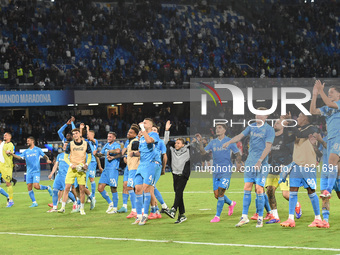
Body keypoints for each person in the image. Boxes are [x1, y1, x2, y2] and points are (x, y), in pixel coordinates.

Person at [223, 107, 275, 228]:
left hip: (261, 164)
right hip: (250, 163)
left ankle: (260, 218)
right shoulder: (251, 127)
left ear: (266, 116)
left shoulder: (269, 129)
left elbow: (268, 148)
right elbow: (239, 136)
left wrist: (260, 161)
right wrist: (229, 142)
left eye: (261, 115)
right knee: (247, 187)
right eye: (257, 114)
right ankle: (244, 217)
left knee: (259, 189)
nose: (258, 116)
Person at [279, 113, 323, 228]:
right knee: (293, 191)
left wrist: (290, 121)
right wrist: (286, 124)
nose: (297, 118)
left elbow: (300, 134)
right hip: (296, 164)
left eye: (299, 116)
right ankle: (290, 219)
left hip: (308, 164)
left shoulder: (312, 128)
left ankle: (318, 218)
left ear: (306, 118)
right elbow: (286, 140)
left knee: (311, 191)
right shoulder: (297, 129)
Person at [309, 80, 340, 228]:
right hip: (331, 142)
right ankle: (325, 221)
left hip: (338, 139)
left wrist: (321, 91)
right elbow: (313, 111)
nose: (329, 95)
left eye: (331, 93)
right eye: (328, 93)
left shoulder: (338, 105)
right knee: (324, 194)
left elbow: (331, 103)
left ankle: (329, 188)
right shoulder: (328, 109)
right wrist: (315, 95)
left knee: (332, 162)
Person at [196, 124, 241, 223]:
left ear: (225, 130)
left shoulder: (230, 141)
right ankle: (231, 203)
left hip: (226, 170)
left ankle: (217, 216)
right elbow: (203, 152)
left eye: (220, 128)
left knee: (221, 192)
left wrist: (238, 164)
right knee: (217, 195)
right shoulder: (213, 142)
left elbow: (237, 153)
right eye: (216, 128)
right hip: (216, 171)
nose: (217, 130)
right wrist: (200, 142)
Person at [264, 117, 301, 224]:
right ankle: (275, 216)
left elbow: (293, 153)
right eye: (275, 122)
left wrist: (287, 165)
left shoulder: (287, 138)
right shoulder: (270, 138)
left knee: (285, 194)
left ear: (283, 126)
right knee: (270, 191)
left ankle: (297, 204)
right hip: (273, 169)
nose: (275, 124)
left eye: (278, 123)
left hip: (285, 170)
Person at [132, 118, 160, 225]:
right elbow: (141, 151)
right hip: (141, 165)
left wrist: (143, 130)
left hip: (150, 165)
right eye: (142, 122)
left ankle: (145, 215)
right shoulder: (142, 136)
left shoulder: (153, 134)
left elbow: (149, 141)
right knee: (137, 189)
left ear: (150, 125)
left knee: (145, 188)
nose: (143, 124)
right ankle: (138, 216)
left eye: (145, 123)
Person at [58, 128, 92, 215]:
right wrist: (70, 165)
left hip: (81, 169)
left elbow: (90, 156)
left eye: (76, 133)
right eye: (73, 134)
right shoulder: (70, 144)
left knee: (82, 189)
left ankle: (82, 209)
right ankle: (63, 207)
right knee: (67, 188)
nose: (75, 135)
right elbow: (65, 157)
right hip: (72, 169)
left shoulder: (86, 144)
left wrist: (86, 164)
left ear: (80, 134)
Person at [10, 136, 52, 207]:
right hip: (29, 172)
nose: (27, 142)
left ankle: (48, 187)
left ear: (32, 141)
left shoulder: (37, 149)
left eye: (28, 140)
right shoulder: (26, 151)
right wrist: (12, 154)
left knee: (36, 186)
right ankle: (34, 202)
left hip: (36, 171)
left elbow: (45, 156)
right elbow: (19, 157)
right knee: (29, 186)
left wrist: (47, 159)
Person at [163, 125, 190, 224]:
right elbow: (165, 142)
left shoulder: (188, 150)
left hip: (183, 175)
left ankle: (173, 209)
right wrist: (166, 130)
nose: (176, 144)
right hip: (174, 174)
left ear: (183, 145)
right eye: (175, 143)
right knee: (179, 194)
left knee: (178, 191)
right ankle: (181, 215)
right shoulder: (172, 149)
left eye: (178, 143)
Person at [47, 141, 76, 212]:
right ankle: (54, 208)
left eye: (66, 145)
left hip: (66, 176)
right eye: (64, 145)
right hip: (59, 176)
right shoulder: (59, 155)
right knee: (54, 190)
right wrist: (51, 173)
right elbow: (56, 165)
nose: (64, 146)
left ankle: (76, 202)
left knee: (67, 192)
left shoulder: (71, 156)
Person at [118, 125, 140, 217]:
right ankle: (137, 209)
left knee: (132, 187)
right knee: (132, 187)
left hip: (134, 168)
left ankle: (136, 210)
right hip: (131, 167)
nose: (128, 133)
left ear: (135, 134)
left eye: (131, 132)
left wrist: (133, 155)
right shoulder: (130, 142)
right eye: (128, 132)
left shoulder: (135, 142)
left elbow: (140, 153)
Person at [97, 132, 121, 214]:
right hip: (106, 169)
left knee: (113, 188)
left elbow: (118, 151)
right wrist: (96, 154)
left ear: (114, 138)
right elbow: (101, 154)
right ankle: (110, 203)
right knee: (100, 188)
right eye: (108, 136)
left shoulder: (116, 145)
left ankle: (115, 208)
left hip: (113, 169)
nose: (108, 138)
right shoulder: (106, 145)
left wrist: (110, 151)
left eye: (110, 137)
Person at [148, 124, 168, 220]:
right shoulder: (147, 141)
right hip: (148, 166)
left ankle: (158, 208)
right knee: (151, 186)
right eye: (152, 129)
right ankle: (161, 207)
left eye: (155, 130)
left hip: (156, 165)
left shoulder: (160, 142)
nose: (153, 131)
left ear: (157, 132)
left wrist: (163, 168)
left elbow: (164, 155)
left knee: (151, 186)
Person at [0, 132, 15, 207]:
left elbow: (9, 152)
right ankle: (8, 198)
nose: (4, 136)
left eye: (5, 135)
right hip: (1, 165)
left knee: (8, 183)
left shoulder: (10, 144)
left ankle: (11, 200)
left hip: (7, 167)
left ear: (9, 137)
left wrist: (8, 152)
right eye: (4, 135)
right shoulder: (3, 143)